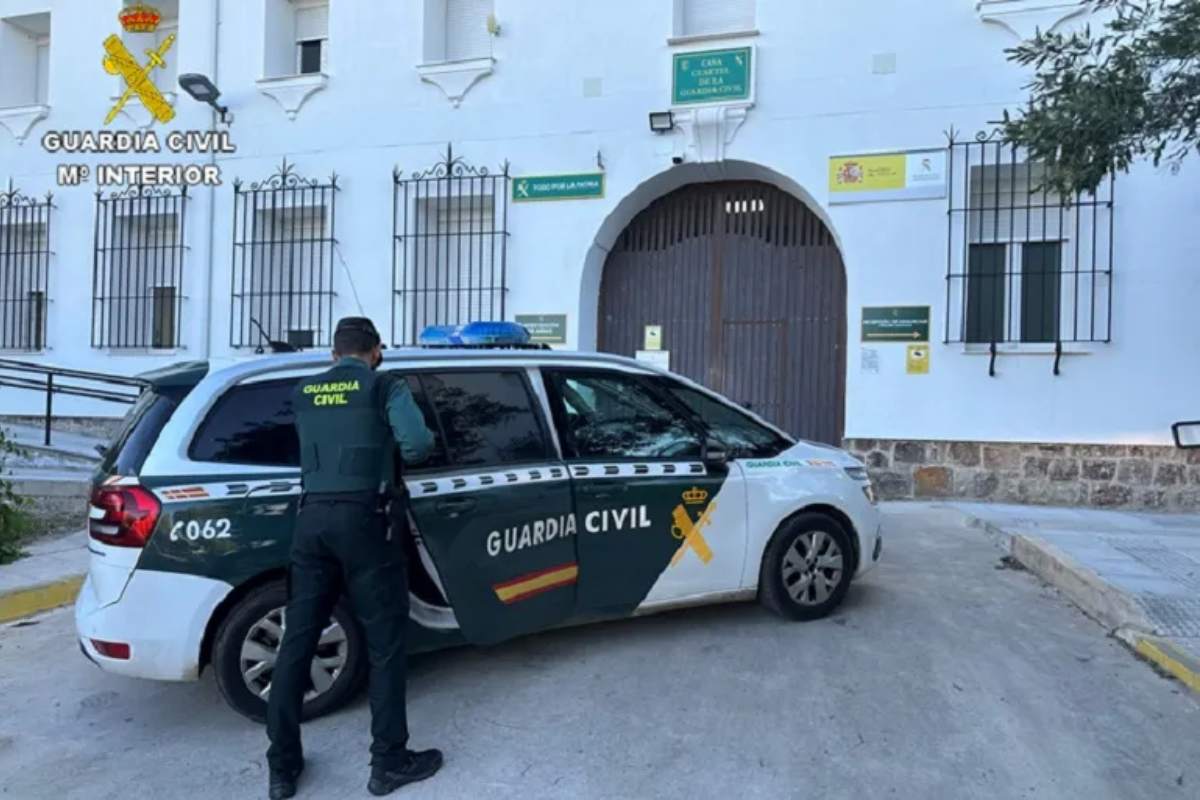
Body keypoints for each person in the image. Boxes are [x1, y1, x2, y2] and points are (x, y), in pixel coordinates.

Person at [266, 317, 443, 799]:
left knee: (296, 643)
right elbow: (419, 445)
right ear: (377, 351)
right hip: (366, 521)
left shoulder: (305, 391)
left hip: (311, 522)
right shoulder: (385, 385)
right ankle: (389, 763)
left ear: (332, 353)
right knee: (385, 644)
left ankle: (282, 770)